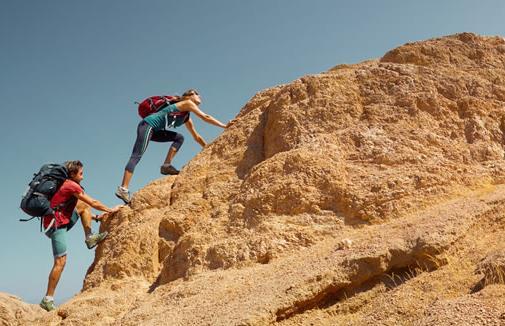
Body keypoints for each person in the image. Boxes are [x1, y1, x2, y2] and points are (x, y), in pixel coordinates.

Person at [115, 89, 233, 204]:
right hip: (148, 125)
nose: (199, 95)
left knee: (179, 138)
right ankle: (123, 189)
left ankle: (166, 166)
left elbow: (196, 136)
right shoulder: (187, 103)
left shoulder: (186, 116)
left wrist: (207, 148)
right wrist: (225, 126)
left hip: (155, 130)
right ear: (188, 96)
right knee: (137, 156)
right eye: (196, 93)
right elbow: (205, 117)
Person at [39, 160, 121, 312]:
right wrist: (111, 210)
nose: (83, 177)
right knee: (60, 262)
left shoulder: (65, 184)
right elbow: (94, 201)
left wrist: (96, 217)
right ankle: (47, 299)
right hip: (56, 226)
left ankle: (90, 238)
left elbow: (80, 207)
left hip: (56, 220)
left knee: (84, 207)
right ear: (72, 174)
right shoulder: (71, 185)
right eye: (81, 174)